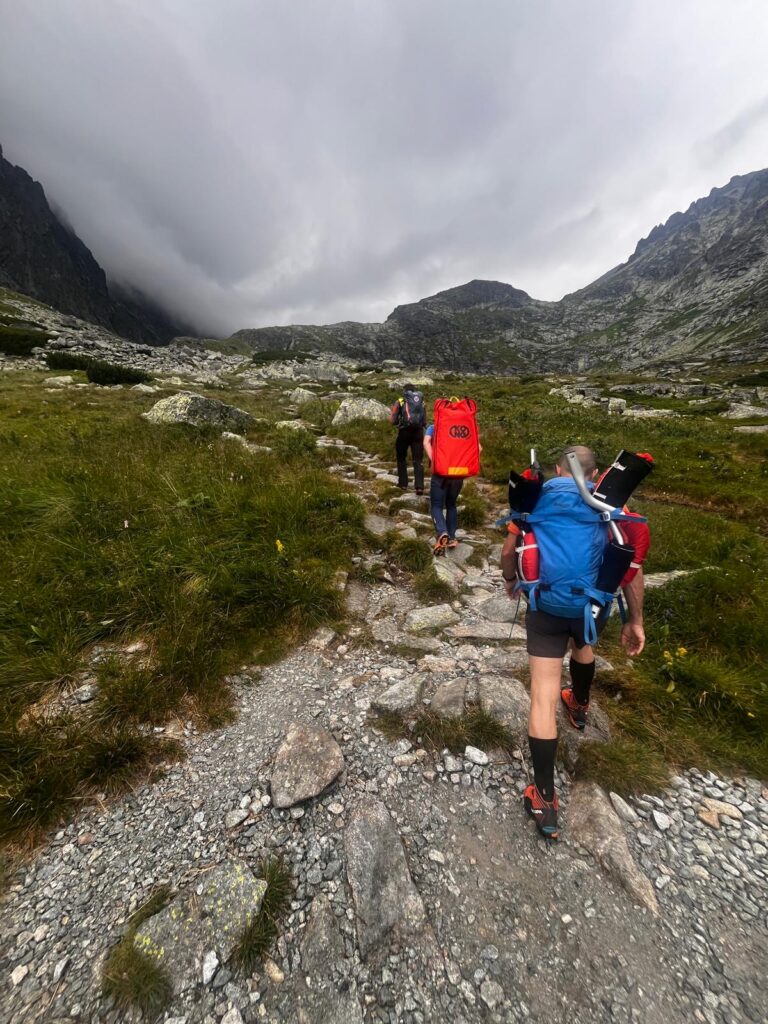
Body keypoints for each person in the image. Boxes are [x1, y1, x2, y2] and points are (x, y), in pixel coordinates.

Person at [500, 445, 646, 840]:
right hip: (590, 606)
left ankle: (545, 800)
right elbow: (631, 566)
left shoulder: (534, 500)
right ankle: (579, 705)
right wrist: (635, 621)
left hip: (546, 607)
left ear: (556, 469)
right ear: (596, 473)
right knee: (584, 647)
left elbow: (509, 551)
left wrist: (511, 581)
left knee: (542, 696)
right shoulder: (608, 504)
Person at [423, 424, 462, 553]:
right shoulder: (464, 428)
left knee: (436, 506)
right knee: (451, 504)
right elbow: (478, 448)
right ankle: (452, 538)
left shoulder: (435, 426)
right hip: (458, 472)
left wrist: (435, 461)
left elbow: (426, 442)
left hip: (440, 472)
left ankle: (442, 532)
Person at [389, 384, 425, 494]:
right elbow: (424, 421)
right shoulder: (421, 402)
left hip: (404, 432)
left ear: (404, 391)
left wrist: (396, 421)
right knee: (418, 460)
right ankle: (419, 486)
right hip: (418, 432)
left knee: (401, 457)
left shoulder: (400, 401)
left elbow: (393, 420)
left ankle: (403, 484)